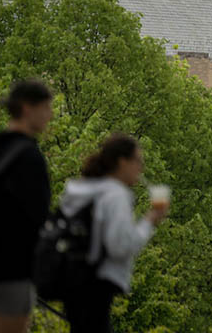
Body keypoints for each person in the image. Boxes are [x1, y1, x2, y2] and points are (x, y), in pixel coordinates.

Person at [57, 134, 168, 333]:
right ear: (122, 162)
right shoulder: (115, 195)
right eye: (138, 161)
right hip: (98, 282)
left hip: (71, 277)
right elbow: (121, 246)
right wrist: (149, 222)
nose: (140, 168)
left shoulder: (81, 190)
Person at [0, 79, 54, 333]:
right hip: (13, 264)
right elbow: (37, 215)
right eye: (46, 108)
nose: (49, 116)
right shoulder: (28, 156)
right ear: (27, 109)